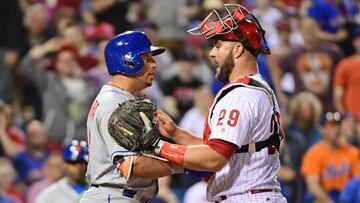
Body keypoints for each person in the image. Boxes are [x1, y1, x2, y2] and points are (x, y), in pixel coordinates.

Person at [153, 4, 286, 203]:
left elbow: (214, 158)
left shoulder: (239, 94)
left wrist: (158, 147)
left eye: (217, 46)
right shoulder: (259, 87)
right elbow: (227, 147)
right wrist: (177, 134)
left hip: (245, 197)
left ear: (238, 49)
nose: (212, 54)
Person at [80, 31, 173, 203]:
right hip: (114, 195)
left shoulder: (119, 97)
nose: (154, 65)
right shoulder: (114, 103)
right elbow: (133, 165)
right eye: (147, 58)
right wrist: (185, 165)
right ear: (129, 60)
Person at [301, 112, 360, 203]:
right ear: (323, 130)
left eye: (338, 125)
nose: (336, 129)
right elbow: (313, 187)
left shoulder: (352, 152)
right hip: (325, 197)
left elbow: (357, 180)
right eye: (332, 125)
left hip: (346, 196)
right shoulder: (314, 152)